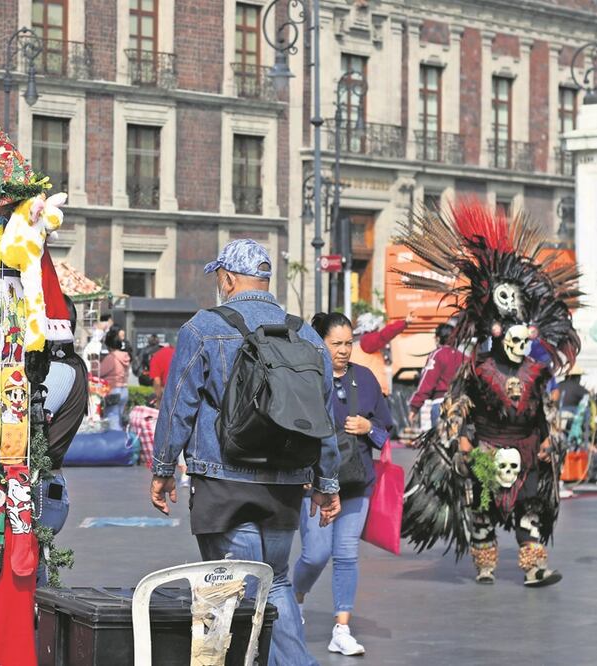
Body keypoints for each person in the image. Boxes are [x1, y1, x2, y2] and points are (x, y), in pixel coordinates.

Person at [151, 238, 340, 666]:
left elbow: (179, 403)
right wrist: (326, 484)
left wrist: (163, 469)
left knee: (230, 589)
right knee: (274, 583)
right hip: (286, 479)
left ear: (228, 278)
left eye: (220, 276)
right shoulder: (306, 334)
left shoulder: (203, 327)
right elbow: (323, 413)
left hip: (223, 479)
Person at [401, 201, 577, 588]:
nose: (518, 344)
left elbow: (543, 410)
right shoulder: (478, 368)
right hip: (486, 447)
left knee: (529, 507)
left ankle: (533, 567)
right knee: (482, 507)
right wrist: (461, 439)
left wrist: (549, 441)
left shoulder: (536, 369)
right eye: (511, 336)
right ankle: (485, 563)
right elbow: (459, 405)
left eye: (523, 337)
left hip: (527, 446)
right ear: (495, 333)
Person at [293, 312, 393, 657]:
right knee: (316, 553)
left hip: (355, 480)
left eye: (348, 343)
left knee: (347, 554)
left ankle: (342, 628)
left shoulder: (365, 379)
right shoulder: (304, 379)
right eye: (336, 343)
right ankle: (295, 598)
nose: (344, 350)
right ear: (318, 343)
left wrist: (369, 428)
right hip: (314, 484)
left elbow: (385, 428)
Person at [37, 295, 89, 585]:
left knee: (33, 572)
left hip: (43, 487)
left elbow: (34, 423)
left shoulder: (60, 370)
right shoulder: (71, 366)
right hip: (49, 484)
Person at [408, 322, 465, 429]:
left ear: (439, 338)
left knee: (441, 443)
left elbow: (426, 383)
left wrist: (414, 407)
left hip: (441, 403)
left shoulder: (437, 355)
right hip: (462, 404)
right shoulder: (463, 357)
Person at [350, 311, 412, 396]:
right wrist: (404, 323)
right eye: (376, 327)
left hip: (362, 389)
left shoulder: (356, 342)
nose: (378, 329)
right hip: (370, 391)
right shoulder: (367, 341)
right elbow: (384, 335)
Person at [98, 329, 130, 430]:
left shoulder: (110, 358)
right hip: (124, 390)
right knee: (119, 419)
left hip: (113, 390)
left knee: (112, 419)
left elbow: (100, 373)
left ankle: (116, 443)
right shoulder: (125, 356)